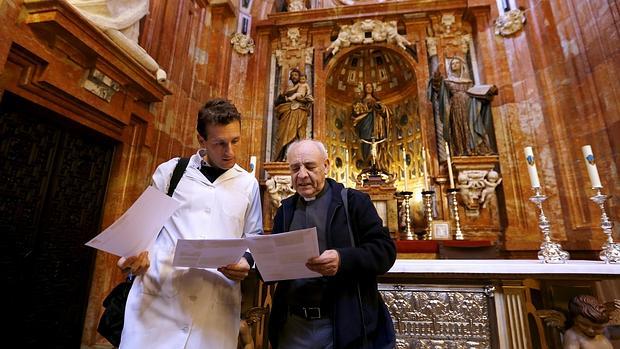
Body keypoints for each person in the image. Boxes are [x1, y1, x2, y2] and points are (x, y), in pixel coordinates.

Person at [116, 98, 263, 349]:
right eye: (220, 143)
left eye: (235, 141)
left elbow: (254, 236)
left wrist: (246, 262)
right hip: (159, 303)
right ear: (201, 140)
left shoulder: (248, 184)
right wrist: (131, 258)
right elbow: (140, 231)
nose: (230, 152)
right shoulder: (171, 172)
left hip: (214, 310)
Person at [268, 139, 397, 349]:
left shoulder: (354, 202)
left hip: (341, 326)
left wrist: (342, 259)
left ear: (326, 166)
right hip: (293, 327)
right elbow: (273, 260)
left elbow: (385, 251)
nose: (302, 175)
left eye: (310, 166)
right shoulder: (285, 211)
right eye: (295, 168)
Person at [273, 68, 314, 161]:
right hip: (287, 114)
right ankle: (284, 156)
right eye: (292, 75)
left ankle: (295, 157)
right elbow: (278, 102)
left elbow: (310, 100)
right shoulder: (288, 90)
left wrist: (302, 100)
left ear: (300, 78)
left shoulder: (305, 88)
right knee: (284, 135)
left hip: (300, 113)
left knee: (298, 135)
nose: (294, 77)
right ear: (290, 78)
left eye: (296, 75)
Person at [352, 82, 391, 170]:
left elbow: (385, 112)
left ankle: (377, 165)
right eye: (367, 87)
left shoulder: (377, 101)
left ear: (373, 89)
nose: (368, 88)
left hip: (376, 126)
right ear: (364, 89)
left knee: (377, 144)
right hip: (365, 125)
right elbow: (356, 114)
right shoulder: (361, 102)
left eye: (370, 87)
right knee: (365, 143)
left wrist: (378, 107)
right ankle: (367, 163)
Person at [439, 57, 474, 156]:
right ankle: (461, 149)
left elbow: (473, 93)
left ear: (461, 65)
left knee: (469, 125)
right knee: (457, 126)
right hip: (455, 105)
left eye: (457, 63)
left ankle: (472, 148)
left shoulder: (468, 81)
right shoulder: (448, 81)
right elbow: (442, 97)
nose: (454, 65)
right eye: (452, 64)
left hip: (468, 105)